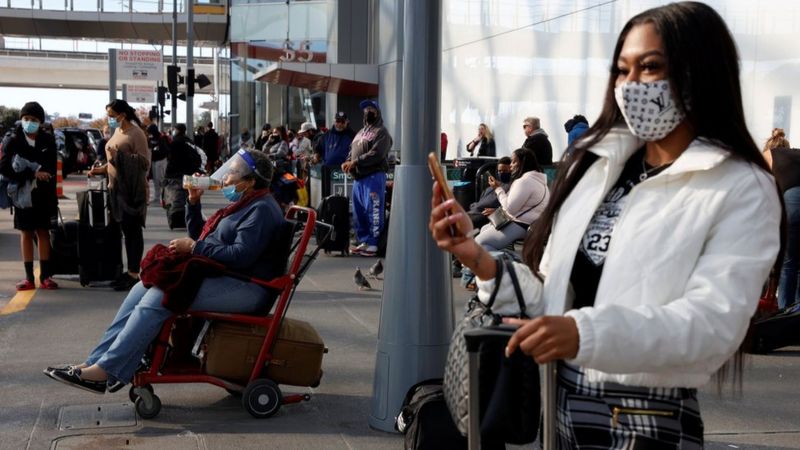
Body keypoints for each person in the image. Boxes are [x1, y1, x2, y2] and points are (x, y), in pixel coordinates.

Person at [429, 3, 781, 447]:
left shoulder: (740, 185)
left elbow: (713, 325)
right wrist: (477, 257)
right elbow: (557, 298)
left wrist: (583, 334)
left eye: (650, 67)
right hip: (560, 406)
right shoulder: (600, 168)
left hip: (645, 419)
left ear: (699, 73)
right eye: (622, 70)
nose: (631, 85)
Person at [44, 150, 287, 394]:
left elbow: (240, 255)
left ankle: (107, 369)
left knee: (160, 297)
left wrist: (194, 248)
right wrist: (193, 204)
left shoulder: (261, 209)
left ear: (250, 181)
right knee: (142, 288)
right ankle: (95, 362)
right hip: (228, 276)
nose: (226, 178)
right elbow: (204, 236)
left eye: (232, 173)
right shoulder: (244, 204)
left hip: (248, 287)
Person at [87, 99, 150, 292]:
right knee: (118, 231)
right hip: (115, 188)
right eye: (108, 115)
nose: (110, 119)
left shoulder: (136, 133)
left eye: (112, 116)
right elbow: (113, 161)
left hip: (132, 191)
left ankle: (133, 273)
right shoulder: (117, 132)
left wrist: (119, 156)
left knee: (132, 231)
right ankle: (121, 271)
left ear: (123, 115)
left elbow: (144, 163)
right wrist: (101, 169)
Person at [0, 101, 59, 290]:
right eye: (26, 118)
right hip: (22, 196)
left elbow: (52, 167)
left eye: (34, 119)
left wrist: (52, 194)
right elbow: (4, 168)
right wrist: (31, 174)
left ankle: (45, 276)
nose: (29, 122)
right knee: (26, 233)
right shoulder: (13, 140)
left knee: (43, 232)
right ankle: (28, 278)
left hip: (44, 194)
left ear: (40, 122)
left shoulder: (47, 140)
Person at [342, 99, 393, 257]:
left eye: (371, 109)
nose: (368, 112)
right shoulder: (360, 132)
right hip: (358, 178)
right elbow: (351, 150)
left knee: (374, 210)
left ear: (377, 113)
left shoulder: (382, 132)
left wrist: (355, 162)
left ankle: (374, 243)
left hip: (374, 176)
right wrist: (347, 162)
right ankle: (364, 241)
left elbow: (377, 153)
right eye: (366, 109)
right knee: (359, 212)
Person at [474, 149, 548, 251]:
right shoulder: (538, 181)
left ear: (522, 163)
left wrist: (497, 189)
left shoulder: (524, 181)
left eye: (514, 162)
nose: (511, 166)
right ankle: (500, 257)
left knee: (478, 243)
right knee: (484, 230)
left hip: (520, 224)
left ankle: (504, 259)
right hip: (529, 224)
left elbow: (510, 208)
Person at [763, 128, 800, 308]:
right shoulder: (795, 154)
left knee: (788, 264)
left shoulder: (768, 155)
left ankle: (785, 313)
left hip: (793, 202)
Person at [466, 156, 512, 229]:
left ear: (511, 170)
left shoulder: (512, 186)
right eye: (499, 171)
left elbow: (510, 206)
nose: (502, 173)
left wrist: (497, 211)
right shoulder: (491, 186)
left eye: (505, 171)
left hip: (487, 215)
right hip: (474, 212)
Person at [147, 124, 169, 206]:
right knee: (155, 180)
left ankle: (164, 197)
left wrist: (156, 151)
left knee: (161, 179)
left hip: (161, 161)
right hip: (153, 161)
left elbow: (165, 150)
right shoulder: (151, 139)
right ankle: (157, 197)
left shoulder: (162, 138)